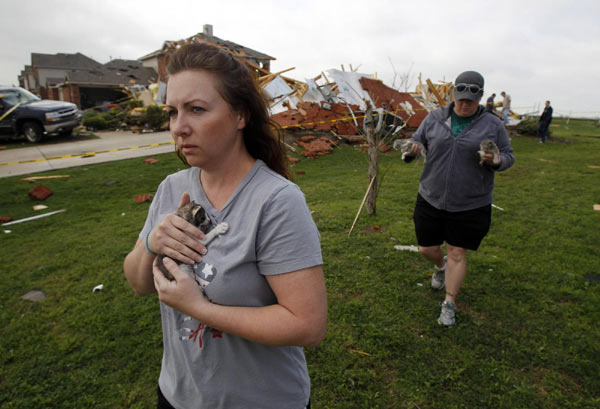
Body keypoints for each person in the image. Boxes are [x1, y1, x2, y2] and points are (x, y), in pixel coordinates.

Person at [123, 43, 327, 409]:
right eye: (172, 112)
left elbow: (308, 325)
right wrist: (153, 242)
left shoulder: (276, 201)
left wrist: (199, 308)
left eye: (197, 110)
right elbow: (138, 284)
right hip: (178, 395)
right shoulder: (172, 188)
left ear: (240, 116)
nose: (178, 128)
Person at [402, 71, 514, 327]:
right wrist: (410, 151)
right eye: (460, 99)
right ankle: (440, 267)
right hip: (430, 196)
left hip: (470, 203)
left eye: (470, 102)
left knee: (457, 252)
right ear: (453, 95)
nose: (464, 105)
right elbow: (416, 141)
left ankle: (449, 303)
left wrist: (496, 161)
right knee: (426, 249)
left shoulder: (493, 125)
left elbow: (508, 155)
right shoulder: (434, 118)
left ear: (480, 98)